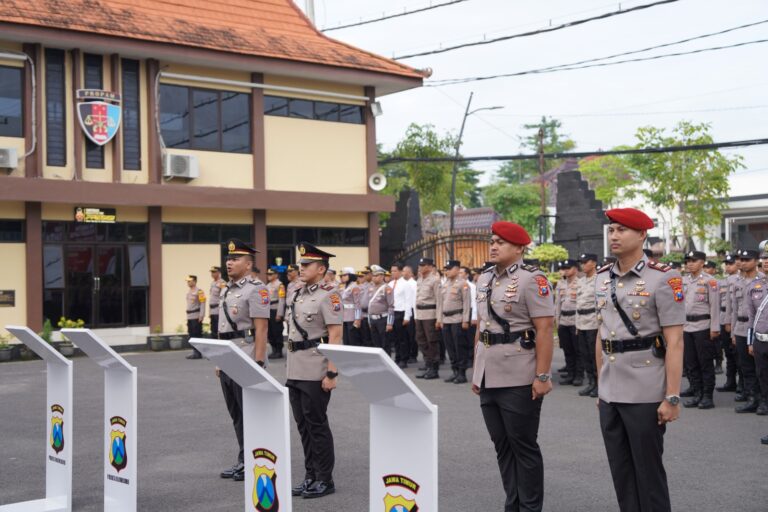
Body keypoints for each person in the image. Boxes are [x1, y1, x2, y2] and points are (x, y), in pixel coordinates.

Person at [595, 208, 684, 512]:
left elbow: (675, 341)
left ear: (642, 234)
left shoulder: (663, 277)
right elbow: (601, 336)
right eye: (611, 230)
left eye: (622, 230)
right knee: (621, 472)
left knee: (648, 473)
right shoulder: (601, 277)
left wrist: (672, 396)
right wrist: (600, 387)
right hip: (610, 389)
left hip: (645, 389)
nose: (614, 236)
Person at [472, 221, 554, 512]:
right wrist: (477, 369)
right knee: (502, 446)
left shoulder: (533, 279)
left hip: (519, 374)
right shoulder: (484, 279)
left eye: (501, 242)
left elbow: (544, 329)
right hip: (488, 373)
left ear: (519, 248)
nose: (494, 246)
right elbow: (482, 326)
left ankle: (530, 507)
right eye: (492, 241)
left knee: (523, 444)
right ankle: (513, 504)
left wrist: (542, 375)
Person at [286, 243, 343, 499]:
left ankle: (324, 479)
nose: (302, 268)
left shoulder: (329, 295)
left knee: (317, 425)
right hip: (295, 368)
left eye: (307, 265)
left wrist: (331, 373)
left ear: (321, 269)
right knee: (303, 426)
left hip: (315, 369)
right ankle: (310, 475)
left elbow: (335, 335)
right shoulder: (298, 293)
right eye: (301, 264)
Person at [216, 239, 269, 482]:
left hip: (247, 356)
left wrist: (258, 363)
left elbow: (261, 329)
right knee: (236, 414)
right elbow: (223, 328)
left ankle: (255, 460)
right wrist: (219, 360)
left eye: (235, 259)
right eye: (228, 258)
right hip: (228, 357)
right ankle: (244, 459)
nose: (229, 262)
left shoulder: (256, 289)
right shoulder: (226, 289)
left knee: (250, 414)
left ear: (248, 265)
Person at [681, 250, 720, 409]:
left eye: (694, 260)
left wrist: (714, 328)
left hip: (703, 326)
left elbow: (715, 306)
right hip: (686, 326)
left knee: (705, 362)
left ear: (702, 263)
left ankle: (707, 396)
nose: (690, 263)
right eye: (688, 261)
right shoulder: (683, 281)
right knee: (691, 363)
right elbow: (679, 303)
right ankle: (697, 394)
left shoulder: (710, 281)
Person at [730, 249, 764, 413]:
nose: (743, 262)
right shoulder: (737, 282)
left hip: (758, 329)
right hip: (741, 328)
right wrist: (733, 333)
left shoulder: (763, 280)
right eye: (741, 259)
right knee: (746, 368)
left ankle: (764, 400)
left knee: (761, 368)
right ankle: (752, 399)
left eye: (747, 259)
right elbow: (734, 310)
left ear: (756, 261)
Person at [438, 260, 471, 384]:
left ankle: (462, 373)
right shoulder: (445, 284)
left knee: (459, 347)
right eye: (446, 269)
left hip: (457, 318)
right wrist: (440, 319)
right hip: (446, 319)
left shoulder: (463, 284)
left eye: (449, 269)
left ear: (457, 269)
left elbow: (467, 303)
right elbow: (441, 303)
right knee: (450, 347)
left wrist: (465, 320)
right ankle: (455, 371)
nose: (447, 271)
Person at [745, 247, 768, 417]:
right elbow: (751, 317)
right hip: (760, 340)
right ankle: (765, 403)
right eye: (764, 258)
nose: (766, 261)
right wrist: (750, 341)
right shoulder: (754, 286)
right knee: (762, 375)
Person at [576, 253, 599, 397]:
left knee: (594, 355)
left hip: (593, 323)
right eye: (582, 262)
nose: (583, 265)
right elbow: (578, 304)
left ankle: (599, 384)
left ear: (594, 263)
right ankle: (591, 383)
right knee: (585, 355)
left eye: (586, 262)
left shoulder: (599, 280)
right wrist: (576, 325)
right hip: (581, 323)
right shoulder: (581, 281)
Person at [556, 259, 583, 386]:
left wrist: (580, 322)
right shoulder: (561, 283)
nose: (565, 270)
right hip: (563, 321)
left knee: (578, 350)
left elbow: (581, 304)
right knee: (567, 350)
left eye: (568, 268)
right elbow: (557, 304)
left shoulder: (581, 283)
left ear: (575, 269)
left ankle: (579, 375)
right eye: (564, 268)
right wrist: (557, 321)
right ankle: (570, 374)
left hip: (575, 320)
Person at [716, 254, 740, 393]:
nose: (728, 266)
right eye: (726, 264)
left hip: (735, 319)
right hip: (723, 317)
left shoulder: (740, 280)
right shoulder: (722, 281)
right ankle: (730, 382)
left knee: (739, 354)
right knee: (728, 353)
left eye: (731, 263)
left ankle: (742, 384)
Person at [414, 258, 441, 380]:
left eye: (423, 265)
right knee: (421, 340)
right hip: (420, 314)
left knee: (432, 341)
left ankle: (434, 368)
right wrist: (416, 315)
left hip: (430, 314)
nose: (420, 267)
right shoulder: (420, 279)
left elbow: (439, 300)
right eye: (420, 265)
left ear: (430, 267)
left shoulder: (435, 280)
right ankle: (428, 365)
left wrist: (439, 319)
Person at [388, 265, 412, 368]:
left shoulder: (405, 284)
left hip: (401, 312)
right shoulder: (390, 284)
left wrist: (407, 316)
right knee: (395, 338)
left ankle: (403, 359)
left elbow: (408, 300)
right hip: (392, 313)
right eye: (391, 271)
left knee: (402, 338)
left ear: (400, 272)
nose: (393, 273)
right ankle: (397, 357)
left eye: (395, 271)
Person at [367, 265, 394, 351]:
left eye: (376, 275)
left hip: (383, 320)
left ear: (382, 276)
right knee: (376, 344)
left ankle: (387, 359)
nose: (374, 277)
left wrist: (389, 323)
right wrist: (369, 321)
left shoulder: (387, 288)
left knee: (385, 344)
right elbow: (370, 305)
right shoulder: (371, 288)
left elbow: (391, 306)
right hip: (373, 319)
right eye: (373, 275)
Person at [266, 268, 286, 359]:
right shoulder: (268, 285)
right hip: (268, 310)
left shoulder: (280, 285)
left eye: (271, 274)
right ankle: (273, 350)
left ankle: (279, 351)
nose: (268, 276)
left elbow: (282, 300)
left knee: (277, 331)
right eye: (268, 274)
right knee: (270, 332)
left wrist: (279, 313)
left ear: (276, 275)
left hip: (276, 310)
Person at [339, 267, 363, 346]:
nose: (342, 277)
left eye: (345, 275)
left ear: (351, 275)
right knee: (346, 340)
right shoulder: (343, 287)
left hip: (352, 317)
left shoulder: (354, 287)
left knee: (352, 340)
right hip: (344, 317)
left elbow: (357, 304)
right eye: (341, 275)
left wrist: (357, 319)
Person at [460, 266, 478, 366]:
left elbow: (474, 302)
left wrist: (474, 316)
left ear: (467, 275)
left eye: (461, 273)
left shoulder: (471, 286)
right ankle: (465, 358)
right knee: (462, 337)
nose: (459, 274)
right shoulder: (457, 285)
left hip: (470, 312)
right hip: (461, 312)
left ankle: (471, 358)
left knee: (470, 337)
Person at [185, 275, 206, 359]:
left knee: (197, 335)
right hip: (190, 316)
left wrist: (201, 315)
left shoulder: (199, 291)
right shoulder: (189, 292)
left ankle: (198, 353)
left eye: (189, 281)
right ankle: (194, 352)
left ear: (194, 281)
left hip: (196, 316)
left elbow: (203, 303)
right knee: (191, 335)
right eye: (187, 281)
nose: (188, 282)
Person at [403, 265, 419, 363]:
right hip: (406, 310)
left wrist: (414, 315)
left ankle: (413, 355)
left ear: (410, 273)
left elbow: (414, 300)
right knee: (406, 335)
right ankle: (408, 353)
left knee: (412, 334)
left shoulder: (413, 284)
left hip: (412, 311)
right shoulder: (405, 283)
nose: (403, 273)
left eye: (404, 271)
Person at [209, 266, 226, 340]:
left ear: (219, 272)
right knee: (213, 329)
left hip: (218, 310)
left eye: (214, 272)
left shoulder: (222, 283)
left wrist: (222, 310)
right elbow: (212, 298)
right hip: (212, 310)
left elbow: (224, 297)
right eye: (211, 272)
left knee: (218, 329)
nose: (212, 274)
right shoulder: (212, 283)